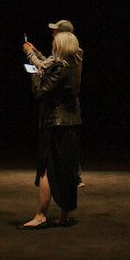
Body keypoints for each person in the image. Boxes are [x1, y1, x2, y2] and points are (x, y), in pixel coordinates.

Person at [21, 30, 83, 228]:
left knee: (45, 168)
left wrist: (34, 74)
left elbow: (40, 93)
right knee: (67, 169)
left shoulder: (60, 68)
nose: (53, 45)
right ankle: (64, 215)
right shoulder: (74, 65)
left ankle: (40, 215)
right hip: (70, 125)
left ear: (62, 46)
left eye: (56, 42)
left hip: (55, 125)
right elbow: (49, 63)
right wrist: (36, 56)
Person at [24, 19, 85, 186]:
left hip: (58, 116)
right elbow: (51, 63)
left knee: (51, 163)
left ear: (63, 37)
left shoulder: (63, 62)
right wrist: (37, 52)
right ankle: (74, 178)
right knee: (67, 155)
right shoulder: (74, 56)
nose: (52, 35)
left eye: (55, 33)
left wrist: (30, 55)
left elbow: (45, 68)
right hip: (72, 114)